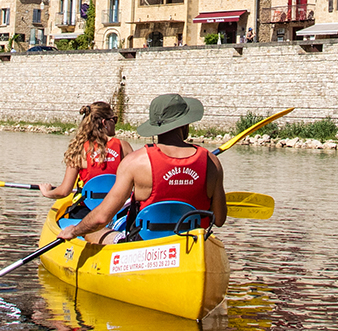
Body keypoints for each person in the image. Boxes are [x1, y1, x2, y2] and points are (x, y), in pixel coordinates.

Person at [58, 92, 225, 243]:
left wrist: (75, 230)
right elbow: (219, 219)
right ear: (185, 124)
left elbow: (101, 217)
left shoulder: (135, 162)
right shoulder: (212, 162)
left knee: (93, 231)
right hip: (193, 243)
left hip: (145, 246)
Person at [40, 101, 128, 197]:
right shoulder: (123, 146)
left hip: (87, 206)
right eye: (114, 119)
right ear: (104, 122)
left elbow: (64, 191)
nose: (115, 123)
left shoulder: (79, 149)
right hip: (118, 208)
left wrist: (47, 192)